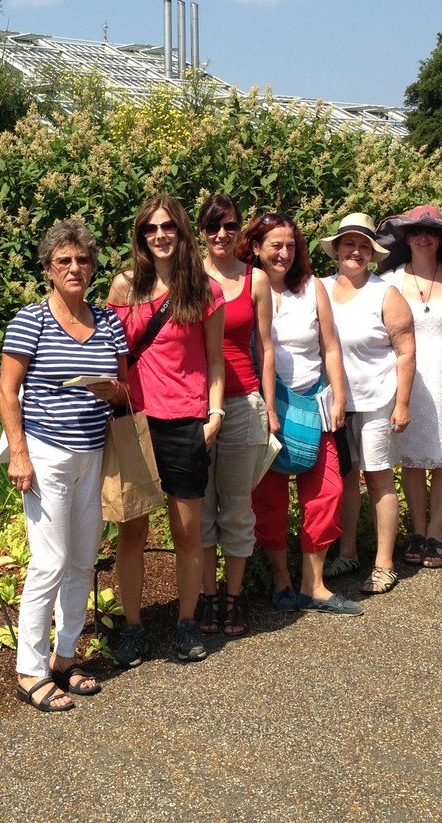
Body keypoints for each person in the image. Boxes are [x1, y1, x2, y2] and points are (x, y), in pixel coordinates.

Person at [0, 220, 128, 711]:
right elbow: (7, 390)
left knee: (80, 560)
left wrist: (107, 389)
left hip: (93, 453)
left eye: (83, 260)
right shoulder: (32, 320)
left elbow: (124, 390)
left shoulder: (107, 321)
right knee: (48, 562)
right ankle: (29, 669)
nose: (75, 268)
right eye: (64, 261)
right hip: (46, 453)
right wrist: (19, 453)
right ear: (49, 269)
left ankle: (65, 658)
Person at [107, 196, 226, 666]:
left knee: (188, 532)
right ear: (141, 235)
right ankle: (134, 627)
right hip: (136, 422)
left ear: (181, 232)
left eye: (168, 227)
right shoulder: (124, 287)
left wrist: (214, 414)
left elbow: (216, 359)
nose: (160, 235)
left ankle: (186, 621)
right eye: (151, 228)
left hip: (186, 420)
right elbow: (115, 357)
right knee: (132, 530)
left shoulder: (203, 289)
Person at [244, 212, 363, 616]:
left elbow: (331, 346)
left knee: (327, 492)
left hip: (315, 401)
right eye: (275, 245)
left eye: (291, 245)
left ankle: (314, 584)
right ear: (256, 248)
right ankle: (282, 582)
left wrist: (340, 396)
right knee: (270, 501)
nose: (284, 253)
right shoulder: (246, 288)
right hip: (266, 404)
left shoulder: (312, 288)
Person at [376, 204, 442, 569]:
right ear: (406, 237)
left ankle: (437, 534)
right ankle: (417, 531)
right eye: (416, 231)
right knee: (411, 457)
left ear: (441, 238)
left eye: (431, 231)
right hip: (408, 378)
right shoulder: (390, 280)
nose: (424, 237)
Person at [320, 213, 416, 596]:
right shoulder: (320, 289)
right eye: (349, 244)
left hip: (377, 399)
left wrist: (403, 404)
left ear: (372, 253)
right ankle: (348, 553)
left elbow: (405, 352)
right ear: (337, 250)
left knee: (377, 477)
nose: (355, 252)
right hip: (334, 402)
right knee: (344, 479)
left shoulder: (385, 293)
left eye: (363, 246)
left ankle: (384, 563)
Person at [196, 193, 277, 637]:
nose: (221, 235)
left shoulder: (256, 280)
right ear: (202, 232)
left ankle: (234, 595)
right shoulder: (189, 278)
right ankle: (208, 596)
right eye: (212, 227)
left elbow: (264, 347)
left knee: (238, 509)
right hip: (196, 407)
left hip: (244, 403)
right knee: (202, 509)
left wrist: (269, 406)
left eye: (229, 226)